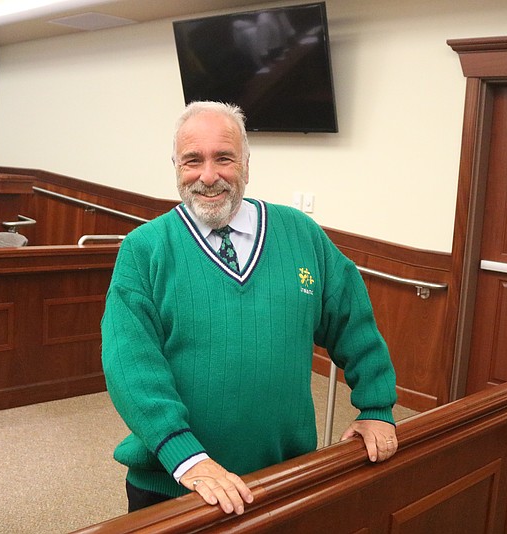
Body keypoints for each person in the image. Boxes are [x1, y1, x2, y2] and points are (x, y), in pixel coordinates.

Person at [101, 101, 398, 517]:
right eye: (193, 160)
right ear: (175, 166)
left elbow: (354, 323)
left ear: (245, 164)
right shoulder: (143, 250)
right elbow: (131, 367)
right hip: (176, 486)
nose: (208, 175)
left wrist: (377, 407)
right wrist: (187, 457)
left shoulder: (302, 234)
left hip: (283, 478)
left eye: (224, 158)